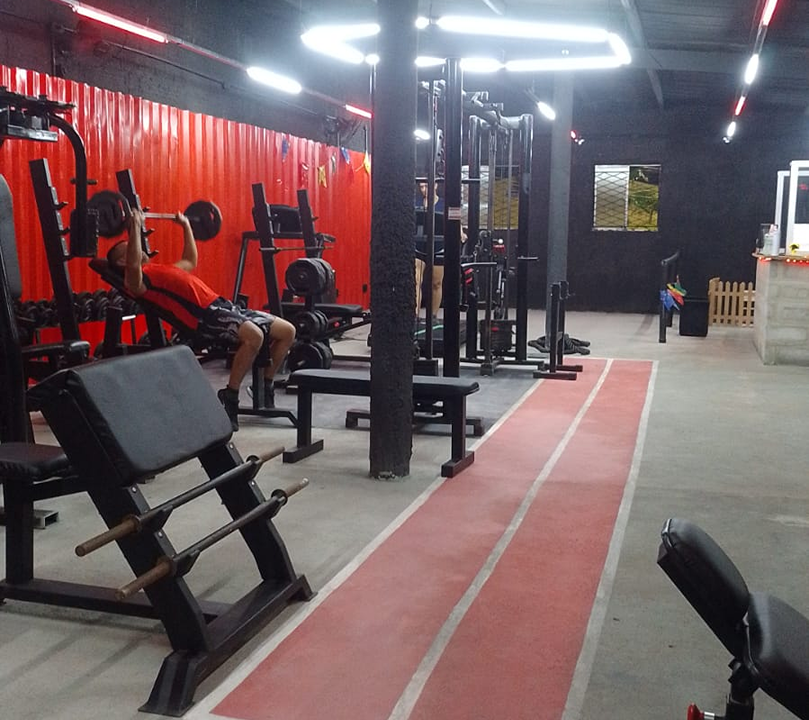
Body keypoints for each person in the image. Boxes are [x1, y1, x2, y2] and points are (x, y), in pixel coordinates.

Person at [106, 208, 296, 431]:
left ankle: (264, 386)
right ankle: (231, 396)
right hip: (205, 317)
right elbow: (133, 268)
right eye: (129, 248)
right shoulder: (138, 281)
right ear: (123, 261)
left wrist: (186, 226)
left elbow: (190, 259)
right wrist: (135, 228)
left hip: (224, 306)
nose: (136, 247)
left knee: (287, 331)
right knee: (254, 336)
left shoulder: (160, 269)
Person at [414, 182, 445, 319]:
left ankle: (433, 317)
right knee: (416, 280)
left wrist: (460, 232)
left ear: (435, 185)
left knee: (436, 283)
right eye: (421, 187)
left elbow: (456, 221)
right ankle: (414, 316)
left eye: (426, 186)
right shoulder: (416, 203)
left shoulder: (443, 204)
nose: (424, 189)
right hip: (419, 246)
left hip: (438, 246)